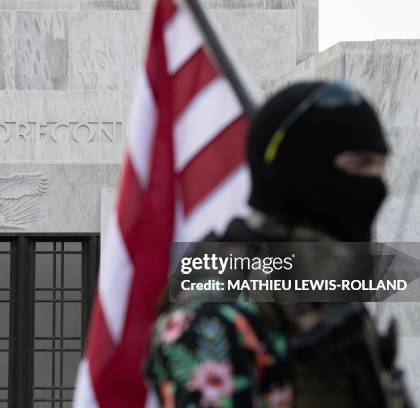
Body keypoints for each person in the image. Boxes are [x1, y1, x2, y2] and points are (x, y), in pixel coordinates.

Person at [144, 81, 412, 407]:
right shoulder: (217, 311)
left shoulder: (316, 292)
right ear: (301, 169)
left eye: (378, 165)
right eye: (358, 164)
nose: (375, 184)